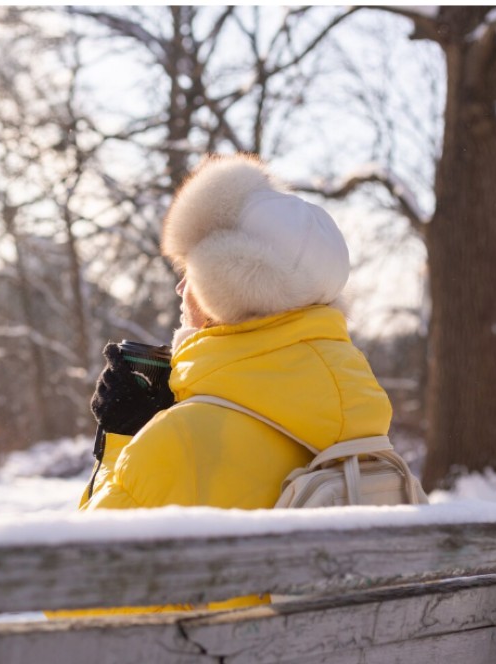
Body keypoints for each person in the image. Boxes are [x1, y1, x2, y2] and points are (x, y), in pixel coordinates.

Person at [82, 152, 392, 612]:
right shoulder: (362, 425)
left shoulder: (182, 441)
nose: (180, 288)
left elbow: (78, 598)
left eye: (191, 273)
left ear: (222, 290)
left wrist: (124, 440)